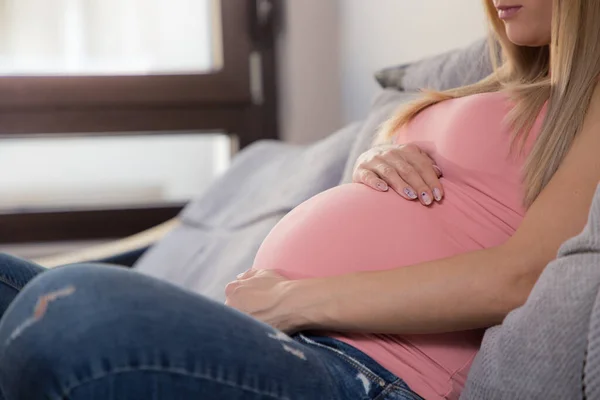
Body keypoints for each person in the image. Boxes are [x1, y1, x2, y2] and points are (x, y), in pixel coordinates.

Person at [1, 1, 600, 399]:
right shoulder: (507, 85)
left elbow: (523, 275)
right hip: (287, 336)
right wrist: (378, 157)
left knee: (73, 313)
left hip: (371, 372)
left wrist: (289, 301)